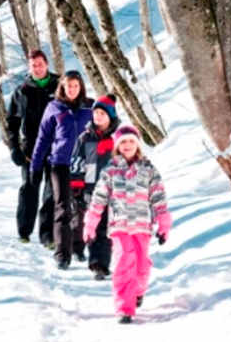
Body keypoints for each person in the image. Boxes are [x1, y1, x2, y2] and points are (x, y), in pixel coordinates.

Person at [82, 124, 172, 324]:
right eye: (123, 142)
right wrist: (90, 224)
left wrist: (163, 223)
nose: (128, 145)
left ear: (138, 144)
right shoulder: (110, 171)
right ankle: (124, 307)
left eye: (132, 141)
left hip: (142, 226)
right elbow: (98, 200)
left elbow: (159, 198)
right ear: (117, 146)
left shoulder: (148, 170)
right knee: (124, 263)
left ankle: (137, 292)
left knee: (142, 266)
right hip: (119, 226)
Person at [30, 70, 93, 269]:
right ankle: (62, 254)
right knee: (63, 207)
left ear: (81, 87)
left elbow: (104, 131)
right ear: (62, 87)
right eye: (68, 86)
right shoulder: (54, 108)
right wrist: (35, 165)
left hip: (85, 164)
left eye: (76, 86)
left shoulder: (90, 107)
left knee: (82, 206)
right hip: (60, 163)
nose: (72, 90)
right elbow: (43, 138)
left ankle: (78, 247)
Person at [5, 49, 58, 247]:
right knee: (29, 188)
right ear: (29, 67)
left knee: (52, 191)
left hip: (55, 147)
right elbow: (12, 122)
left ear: (47, 64)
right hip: (31, 149)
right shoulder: (22, 91)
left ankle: (48, 236)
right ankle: (24, 232)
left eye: (40, 64)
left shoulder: (59, 86)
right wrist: (14, 148)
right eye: (33, 65)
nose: (37, 68)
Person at [69, 94, 120, 281]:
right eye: (96, 113)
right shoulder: (85, 138)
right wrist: (77, 186)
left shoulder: (117, 139)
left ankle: (105, 263)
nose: (98, 116)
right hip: (91, 190)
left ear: (110, 117)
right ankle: (96, 262)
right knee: (94, 226)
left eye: (102, 114)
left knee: (107, 228)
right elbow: (76, 162)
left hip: (113, 191)